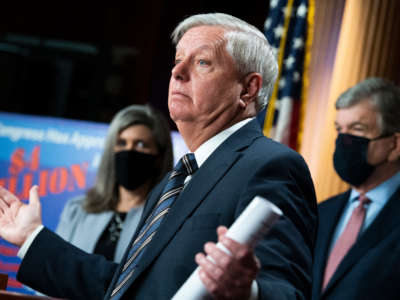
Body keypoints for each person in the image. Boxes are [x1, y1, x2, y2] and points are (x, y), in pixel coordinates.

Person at [0, 13, 317, 300]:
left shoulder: (270, 166)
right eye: (177, 61)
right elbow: (128, 288)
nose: (178, 72)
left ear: (247, 89)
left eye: (202, 62)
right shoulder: (172, 182)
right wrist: (32, 237)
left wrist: (248, 292)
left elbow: (288, 292)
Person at [311, 77, 400, 300]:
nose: (343, 140)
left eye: (357, 130)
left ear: (395, 144)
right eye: (339, 129)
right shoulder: (320, 213)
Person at [55, 104, 173, 262]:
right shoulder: (77, 210)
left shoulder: (166, 219)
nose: (129, 151)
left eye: (140, 145)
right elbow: (50, 273)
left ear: (160, 156)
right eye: (122, 143)